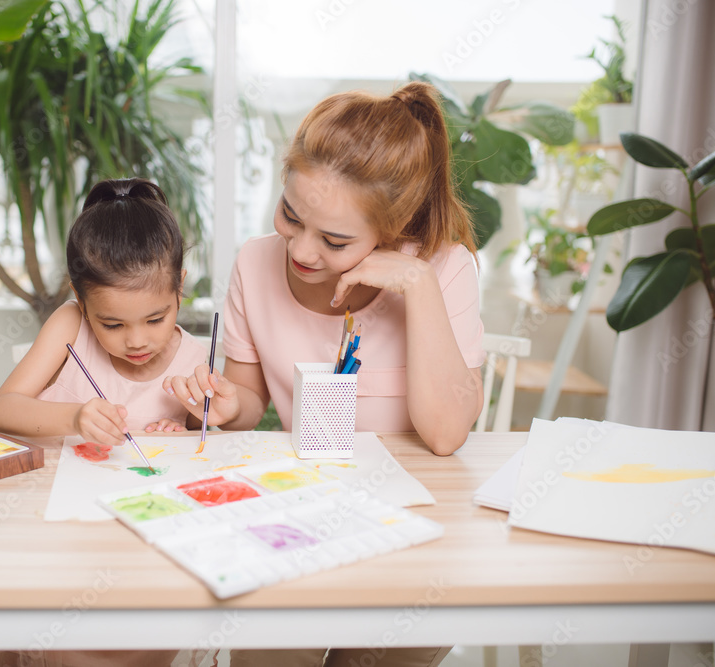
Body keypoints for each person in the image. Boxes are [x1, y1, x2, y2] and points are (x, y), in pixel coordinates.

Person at [163, 80, 484, 667]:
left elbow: (444, 434)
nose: (302, 252)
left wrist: (417, 285)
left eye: (334, 241)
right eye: (291, 215)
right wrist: (222, 404)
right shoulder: (256, 263)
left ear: (392, 227)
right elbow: (249, 402)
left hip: (417, 534)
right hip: (299, 522)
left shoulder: (445, 268)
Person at [0, 177, 210, 445]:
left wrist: (177, 432)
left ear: (179, 287)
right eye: (113, 325)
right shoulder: (70, 325)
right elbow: (0, 411)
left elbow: (200, 437)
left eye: (155, 320)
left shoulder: (193, 358)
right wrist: (74, 417)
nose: (137, 341)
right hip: (56, 483)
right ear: (82, 302)